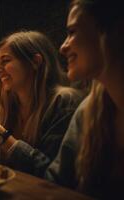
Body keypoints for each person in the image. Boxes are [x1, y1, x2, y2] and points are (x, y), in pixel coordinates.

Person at [0, 30, 82, 174]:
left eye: (5, 61)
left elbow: (51, 173)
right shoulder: (9, 105)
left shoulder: (64, 102)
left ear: (35, 62)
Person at [44, 0, 124, 198]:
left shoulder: (66, 101)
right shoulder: (89, 110)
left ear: (114, 31)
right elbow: (54, 182)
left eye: (72, 32)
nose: (63, 47)